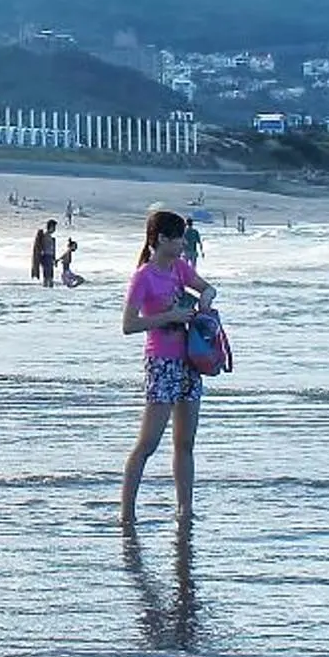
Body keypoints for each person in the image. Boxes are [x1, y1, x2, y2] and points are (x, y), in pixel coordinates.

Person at [121, 210, 214, 527]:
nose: (182, 244)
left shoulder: (180, 268)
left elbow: (207, 288)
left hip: (189, 361)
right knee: (148, 443)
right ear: (161, 239)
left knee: (185, 443)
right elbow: (129, 325)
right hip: (161, 361)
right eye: (178, 238)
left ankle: (185, 510)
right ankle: (126, 513)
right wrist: (170, 317)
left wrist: (205, 300)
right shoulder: (143, 277)